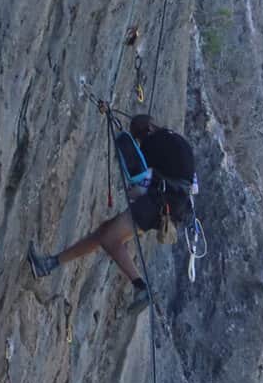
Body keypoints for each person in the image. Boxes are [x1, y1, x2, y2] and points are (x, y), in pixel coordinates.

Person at [28, 114, 197, 310]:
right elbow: (192, 183)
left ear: (147, 131)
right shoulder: (177, 141)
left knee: (109, 239)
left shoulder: (152, 142)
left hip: (157, 203)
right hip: (170, 208)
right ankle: (49, 264)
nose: (140, 143)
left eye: (138, 139)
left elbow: (139, 177)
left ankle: (141, 287)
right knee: (104, 232)